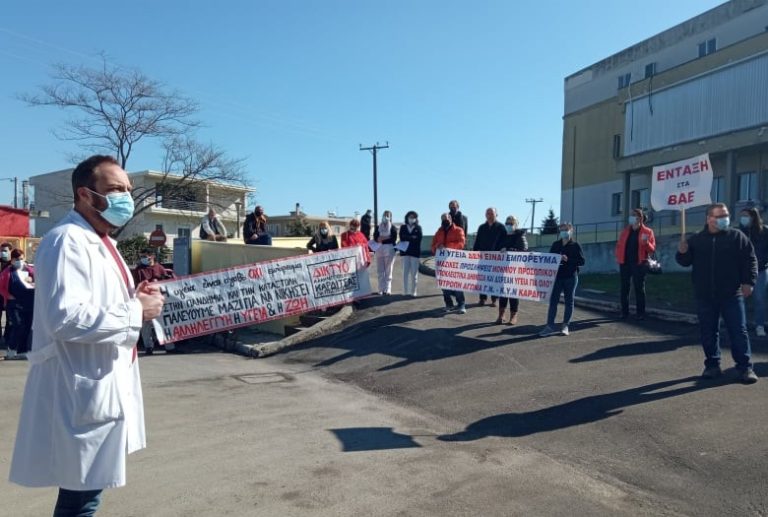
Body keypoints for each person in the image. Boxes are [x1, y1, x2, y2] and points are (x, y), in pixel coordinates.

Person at [9, 155, 165, 515]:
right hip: (79, 387)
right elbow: (66, 317)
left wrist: (135, 296)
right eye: (115, 189)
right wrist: (137, 311)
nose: (125, 196)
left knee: (85, 494)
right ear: (86, 194)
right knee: (82, 499)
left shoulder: (99, 240)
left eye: (127, 189)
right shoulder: (68, 240)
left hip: (97, 383)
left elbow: (94, 301)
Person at [676, 203, 758, 384]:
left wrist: (748, 282)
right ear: (709, 219)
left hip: (732, 294)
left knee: (738, 331)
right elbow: (685, 261)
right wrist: (682, 252)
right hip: (705, 294)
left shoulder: (737, 237)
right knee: (708, 331)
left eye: (726, 215)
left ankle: (745, 368)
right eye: (720, 216)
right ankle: (712, 365)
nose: (724, 219)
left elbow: (750, 260)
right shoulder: (697, 239)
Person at [540, 223, 585, 337]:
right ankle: (549, 326)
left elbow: (582, 261)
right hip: (557, 277)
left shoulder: (575, 245)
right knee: (553, 302)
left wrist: (568, 259)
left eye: (566, 230)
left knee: (569, 301)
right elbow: (549, 259)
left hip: (571, 277)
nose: (563, 232)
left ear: (571, 231)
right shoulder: (556, 245)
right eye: (561, 230)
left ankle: (565, 325)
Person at [615, 208, 657, 320]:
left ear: (640, 218)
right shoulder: (625, 231)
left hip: (639, 263)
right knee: (624, 288)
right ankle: (624, 312)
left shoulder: (648, 232)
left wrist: (646, 243)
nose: (632, 217)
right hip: (625, 263)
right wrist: (618, 256)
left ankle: (640, 313)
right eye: (631, 215)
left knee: (639, 288)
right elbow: (619, 245)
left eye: (634, 215)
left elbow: (652, 250)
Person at [133, 248, 175, 355]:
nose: (143, 258)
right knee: (146, 325)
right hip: (145, 300)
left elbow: (167, 280)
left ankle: (169, 346)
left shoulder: (159, 268)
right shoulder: (139, 270)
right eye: (142, 256)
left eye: (145, 256)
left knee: (164, 323)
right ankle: (148, 347)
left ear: (152, 256)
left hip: (159, 300)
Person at [0, 248, 35, 359]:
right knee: (17, 325)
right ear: (12, 260)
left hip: (28, 303)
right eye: (16, 259)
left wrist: (32, 281)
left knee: (27, 327)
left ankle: (22, 350)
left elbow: (38, 281)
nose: (19, 261)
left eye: (21, 258)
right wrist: (7, 295)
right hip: (14, 304)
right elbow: (1, 287)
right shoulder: (7, 272)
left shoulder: (30, 270)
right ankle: (12, 348)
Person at [738, 207, 768, 336]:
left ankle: (760, 325)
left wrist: (763, 262)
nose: (743, 218)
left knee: (759, 299)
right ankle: (740, 325)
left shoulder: (764, 231)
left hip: (760, 270)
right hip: (741, 271)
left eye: (746, 215)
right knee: (740, 299)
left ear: (753, 217)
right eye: (741, 216)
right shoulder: (738, 232)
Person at [432, 213, 467, 314]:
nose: (444, 221)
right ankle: (449, 304)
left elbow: (461, 243)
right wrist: (437, 246)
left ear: (450, 219)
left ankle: (461, 305)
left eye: (446, 219)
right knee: (444, 286)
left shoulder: (458, 230)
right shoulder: (439, 231)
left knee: (457, 285)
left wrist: (447, 247)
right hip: (442, 264)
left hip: (455, 263)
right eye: (442, 219)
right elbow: (433, 245)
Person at [496, 216, 528, 325]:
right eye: (507, 223)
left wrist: (509, 250)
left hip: (515, 269)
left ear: (516, 225)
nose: (508, 225)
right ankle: (501, 315)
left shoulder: (520, 236)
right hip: (502, 268)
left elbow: (523, 251)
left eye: (511, 223)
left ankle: (513, 316)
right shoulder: (502, 236)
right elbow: (496, 249)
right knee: (503, 293)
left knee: (513, 293)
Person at [473, 207, 507, 307]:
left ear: (496, 214)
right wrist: (474, 253)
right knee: (482, 278)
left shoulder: (501, 227)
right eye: (488, 213)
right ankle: (482, 298)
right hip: (483, 258)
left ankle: (494, 299)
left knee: (494, 279)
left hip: (496, 258)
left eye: (491, 213)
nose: (489, 215)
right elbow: (477, 241)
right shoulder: (481, 227)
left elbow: (505, 241)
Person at [373, 210, 398, 295]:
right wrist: (386, 237)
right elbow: (376, 237)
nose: (386, 217)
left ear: (390, 217)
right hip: (379, 249)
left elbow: (393, 238)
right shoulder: (378, 227)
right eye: (385, 215)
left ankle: (388, 289)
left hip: (389, 249)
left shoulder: (392, 227)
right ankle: (381, 289)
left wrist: (382, 238)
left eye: (388, 215)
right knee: (380, 270)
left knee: (388, 270)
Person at [399, 211, 423, 297]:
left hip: (415, 253)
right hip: (405, 252)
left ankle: (414, 291)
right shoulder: (403, 227)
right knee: (405, 273)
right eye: (410, 217)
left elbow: (419, 238)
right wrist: (412, 237)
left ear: (416, 218)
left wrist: (408, 238)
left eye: (413, 217)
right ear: (407, 217)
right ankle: (405, 291)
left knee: (414, 273)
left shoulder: (418, 227)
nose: (411, 218)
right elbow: (402, 237)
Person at [0, 241, 12, 348]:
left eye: (5, 251)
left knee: (10, 318)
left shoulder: (13, 264)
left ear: (10, 251)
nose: (2, 253)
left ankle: (7, 339)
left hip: (9, 296)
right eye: (1, 251)